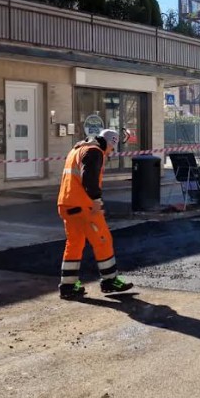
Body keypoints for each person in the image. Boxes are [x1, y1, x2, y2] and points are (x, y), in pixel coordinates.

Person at [56, 128, 133, 300]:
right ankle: (110, 280)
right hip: (85, 206)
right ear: (110, 142)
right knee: (103, 240)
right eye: (112, 148)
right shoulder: (94, 151)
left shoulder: (76, 150)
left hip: (66, 204)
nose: (111, 152)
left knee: (74, 243)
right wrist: (96, 200)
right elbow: (88, 177)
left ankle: (68, 285)